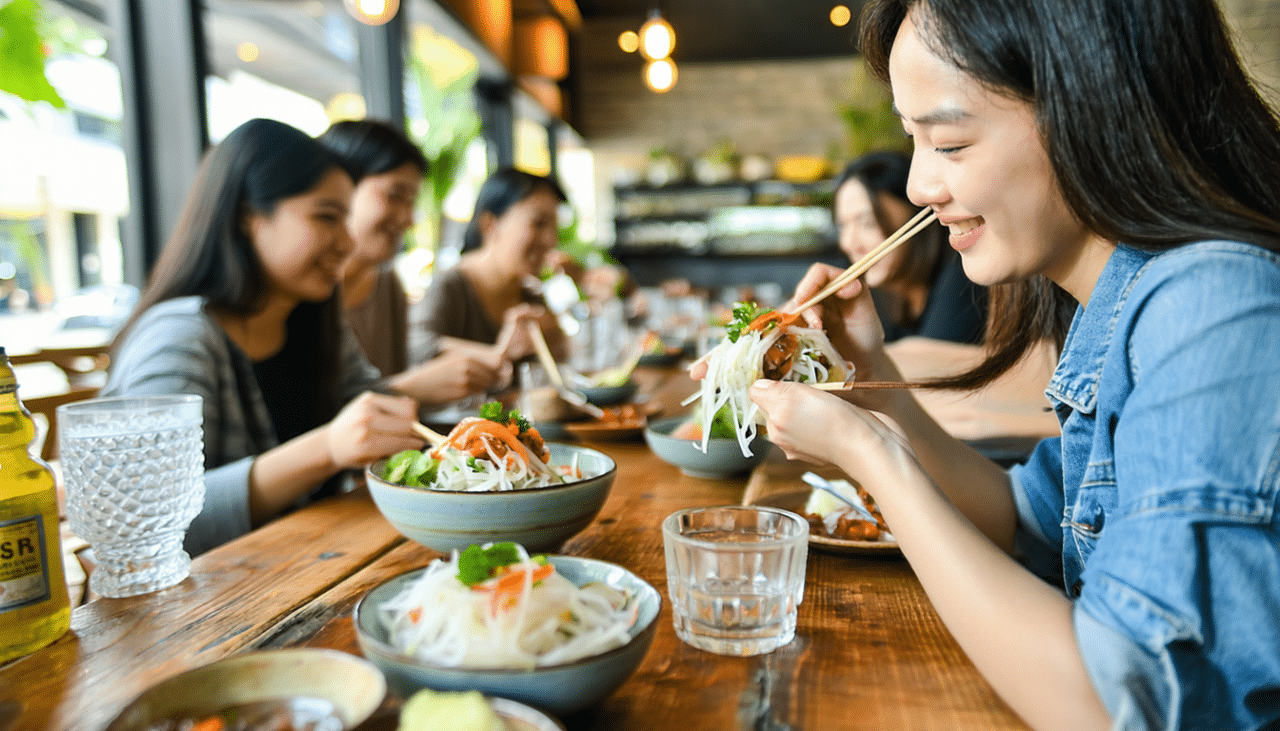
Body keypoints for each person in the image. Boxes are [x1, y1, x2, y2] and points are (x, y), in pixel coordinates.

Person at [737, 1, 1280, 729]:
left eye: (950, 142)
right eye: (913, 141)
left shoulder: (1214, 308)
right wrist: (875, 388)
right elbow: (1024, 520)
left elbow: (1110, 703)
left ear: (1090, 106)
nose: (920, 187)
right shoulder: (1121, 297)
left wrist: (868, 454)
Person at [103, 118, 503, 555]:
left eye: (347, 219)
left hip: (307, 565)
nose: (348, 242)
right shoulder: (179, 337)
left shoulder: (311, 319)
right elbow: (139, 520)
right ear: (248, 216)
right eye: (326, 217)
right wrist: (326, 448)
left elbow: (369, 413)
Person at [418, 167, 569, 364]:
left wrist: (556, 338)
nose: (551, 240)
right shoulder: (450, 287)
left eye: (554, 227)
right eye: (539, 223)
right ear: (490, 224)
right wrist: (500, 353)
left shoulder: (530, 297)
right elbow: (418, 350)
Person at [834, 150, 985, 344]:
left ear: (916, 211)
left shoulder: (964, 274)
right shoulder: (875, 291)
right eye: (842, 226)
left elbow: (931, 356)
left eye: (868, 223)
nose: (849, 244)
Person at [315, 118, 425, 376]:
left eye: (412, 202)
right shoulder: (298, 292)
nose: (408, 219)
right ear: (340, 187)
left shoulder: (388, 285)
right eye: (395, 195)